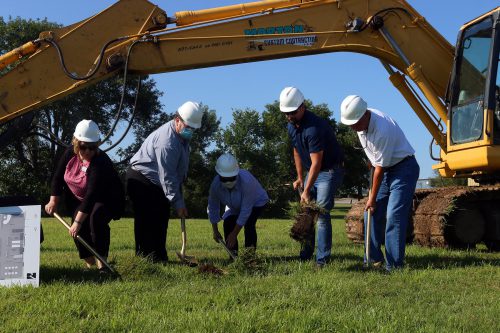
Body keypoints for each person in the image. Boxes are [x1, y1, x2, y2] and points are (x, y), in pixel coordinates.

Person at [340, 95, 419, 271]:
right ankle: (374, 259)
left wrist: (372, 199)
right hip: (384, 167)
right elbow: (373, 159)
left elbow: (379, 169)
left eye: (355, 123)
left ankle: (394, 265)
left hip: (403, 168)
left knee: (393, 215)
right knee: (370, 214)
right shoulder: (360, 125)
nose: (353, 128)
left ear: (365, 114)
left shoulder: (383, 128)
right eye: (350, 124)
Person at [126, 101, 203, 263]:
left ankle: (160, 257)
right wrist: (178, 203)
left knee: (161, 217)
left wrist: (179, 194)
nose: (190, 131)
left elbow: (178, 170)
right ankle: (145, 260)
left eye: (193, 129)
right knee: (147, 220)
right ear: (177, 119)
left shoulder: (182, 136)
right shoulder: (167, 142)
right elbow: (167, 176)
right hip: (141, 178)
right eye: (188, 127)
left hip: (157, 181)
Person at [45, 120, 125, 271]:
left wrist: (78, 222)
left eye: (92, 147)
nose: (88, 151)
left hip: (105, 198)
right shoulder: (69, 153)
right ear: (76, 143)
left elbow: (92, 195)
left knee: (95, 218)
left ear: (97, 145)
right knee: (78, 228)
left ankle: (103, 263)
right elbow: (57, 177)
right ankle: (89, 263)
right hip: (78, 199)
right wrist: (53, 201)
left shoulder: (101, 162)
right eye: (83, 146)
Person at [280, 86, 344, 268]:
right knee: (307, 212)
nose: (289, 116)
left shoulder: (314, 128)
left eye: (292, 112)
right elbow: (297, 151)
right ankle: (305, 254)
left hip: (329, 170)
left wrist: (307, 190)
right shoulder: (292, 126)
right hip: (313, 170)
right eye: (286, 113)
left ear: (302, 106)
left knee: (321, 212)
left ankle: (322, 260)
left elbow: (317, 163)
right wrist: (300, 177)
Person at [207, 153, 269, 255]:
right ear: (219, 175)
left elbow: (245, 211)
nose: (228, 182)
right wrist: (215, 230)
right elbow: (213, 207)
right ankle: (233, 255)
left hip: (256, 203)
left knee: (249, 224)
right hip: (235, 206)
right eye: (224, 179)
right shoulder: (215, 185)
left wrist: (234, 234)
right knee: (228, 222)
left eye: (231, 178)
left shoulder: (247, 182)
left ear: (236, 173)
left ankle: (249, 257)